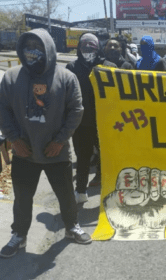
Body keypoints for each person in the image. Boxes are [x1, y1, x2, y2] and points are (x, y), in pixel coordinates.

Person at [0, 28, 91, 258]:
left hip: (56, 152)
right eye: (28, 46)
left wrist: (60, 140)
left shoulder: (66, 77)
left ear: (49, 48)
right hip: (24, 152)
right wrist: (13, 139)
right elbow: (3, 110)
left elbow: (76, 111)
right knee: (22, 198)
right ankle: (19, 235)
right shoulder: (11, 78)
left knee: (66, 195)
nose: (33, 51)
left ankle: (71, 227)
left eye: (38, 46)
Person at [66, 33, 117, 204]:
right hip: (81, 123)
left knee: (108, 157)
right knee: (83, 158)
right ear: (79, 48)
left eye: (92, 46)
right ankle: (80, 190)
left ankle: (109, 190)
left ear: (98, 48)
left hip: (106, 122)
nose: (88, 50)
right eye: (84, 46)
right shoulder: (71, 68)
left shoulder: (109, 67)